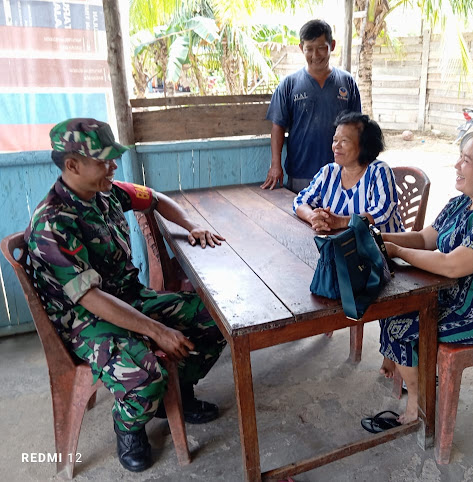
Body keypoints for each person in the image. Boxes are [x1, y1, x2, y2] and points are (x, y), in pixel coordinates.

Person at [25, 118, 228, 472]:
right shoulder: (52, 223)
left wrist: (191, 226)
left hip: (130, 298)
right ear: (72, 165)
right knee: (147, 376)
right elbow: (91, 300)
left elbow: (156, 199)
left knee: (216, 319)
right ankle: (129, 427)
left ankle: (177, 393)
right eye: (103, 160)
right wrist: (156, 330)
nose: (113, 165)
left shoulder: (107, 192)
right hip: (86, 323)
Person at [379, 128, 473, 425]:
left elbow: (450, 265)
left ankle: (419, 404)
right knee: (392, 307)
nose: (457, 165)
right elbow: (425, 239)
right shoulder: (461, 203)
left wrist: (395, 249)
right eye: (459, 158)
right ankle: (410, 368)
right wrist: (380, 237)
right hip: (454, 298)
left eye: (466, 160)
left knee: (398, 325)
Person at [261, 19, 361, 193]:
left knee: (336, 218)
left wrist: (358, 164)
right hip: (300, 173)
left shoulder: (347, 83)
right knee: (298, 218)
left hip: (340, 172)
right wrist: (275, 166)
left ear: (332, 45)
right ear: (301, 48)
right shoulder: (288, 85)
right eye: (309, 49)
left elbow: (358, 128)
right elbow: (277, 127)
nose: (315, 55)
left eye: (321, 47)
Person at [293, 111, 402, 233]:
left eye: (344, 141)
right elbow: (301, 200)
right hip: (344, 244)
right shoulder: (328, 172)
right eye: (335, 140)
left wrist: (341, 222)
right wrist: (312, 217)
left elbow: (381, 212)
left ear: (364, 145)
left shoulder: (379, 171)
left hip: (384, 247)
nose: (336, 146)